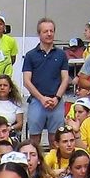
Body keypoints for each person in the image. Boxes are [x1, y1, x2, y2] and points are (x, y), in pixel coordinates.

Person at [18, 19, 69, 147]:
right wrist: (41, 98)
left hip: (56, 102)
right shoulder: (30, 55)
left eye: (51, 31)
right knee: (34, 140)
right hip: (37, 101)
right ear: (39, 34)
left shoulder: (62, 55)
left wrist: (57, 98)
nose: (49, 34)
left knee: (56, 140)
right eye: (45, 31)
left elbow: (65, 79)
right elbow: (26, 81)